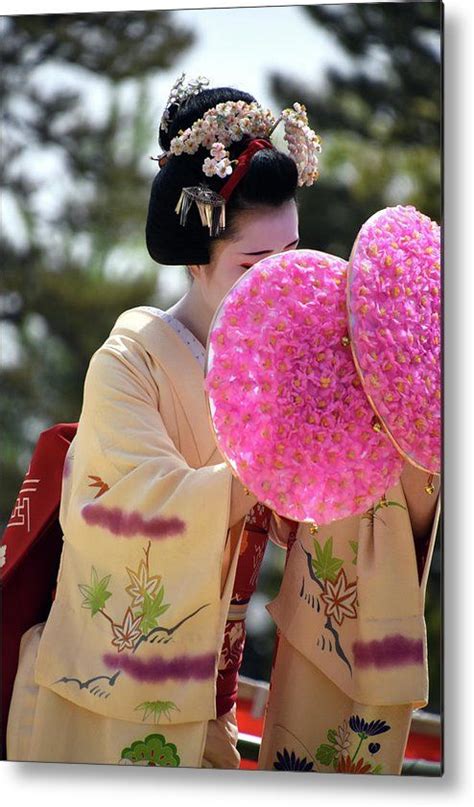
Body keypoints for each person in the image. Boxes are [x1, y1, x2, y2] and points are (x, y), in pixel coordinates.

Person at [6, 75, 440, 772]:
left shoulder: (305, 371)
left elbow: (349, 525)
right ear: (198, 257)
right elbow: (132, 511)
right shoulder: (130, 363)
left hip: (212, 700)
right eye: (253, 263)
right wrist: (292, 452)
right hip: (100, 714)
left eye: (294, 255)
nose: (282, 281)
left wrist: (402, 444)